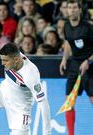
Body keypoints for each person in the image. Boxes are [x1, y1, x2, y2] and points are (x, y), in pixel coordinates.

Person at [59, 1, 93, 135]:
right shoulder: (66, 26)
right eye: (69, 8)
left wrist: (88, 61)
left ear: (79, 10)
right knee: (68, 101)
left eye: (74, 8)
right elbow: (68, 42)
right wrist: (64, 59)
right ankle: (71, 134)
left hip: (90, 66)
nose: (72, 10)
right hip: (74, 66)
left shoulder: (88, 28)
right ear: (66, 10)